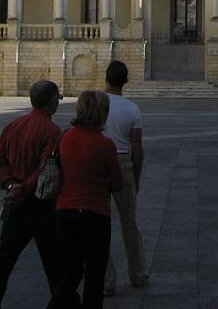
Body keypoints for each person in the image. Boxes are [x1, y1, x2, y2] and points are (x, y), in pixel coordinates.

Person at [0, 80, 64, 309]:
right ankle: (65, 303)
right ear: (52, 102)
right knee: (53, 258)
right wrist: (23, 188)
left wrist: (9, 185)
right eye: (57, 98)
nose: (58, 103)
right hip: (39, 204)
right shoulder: (52, 131)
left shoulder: (12, 126)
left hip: (15, 203)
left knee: (3, 256)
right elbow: (45, 169)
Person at [55, 90, 123, 309]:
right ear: (103, 113)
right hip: (95, 215)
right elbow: (118, 183)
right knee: (94, 276)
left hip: (64, 212)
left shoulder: (65, 136)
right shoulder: (105, 145)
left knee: (70, 274)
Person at [102, 61, 149, 297]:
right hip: (124, 164)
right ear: (126, 81)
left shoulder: (97, 104)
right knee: (130, 224)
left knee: (100, 225)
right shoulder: (132, 109)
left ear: (106, 78)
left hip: (99, 165)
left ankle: (107, 281)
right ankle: (137, 274)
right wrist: (136, 177)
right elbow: (137, 149)